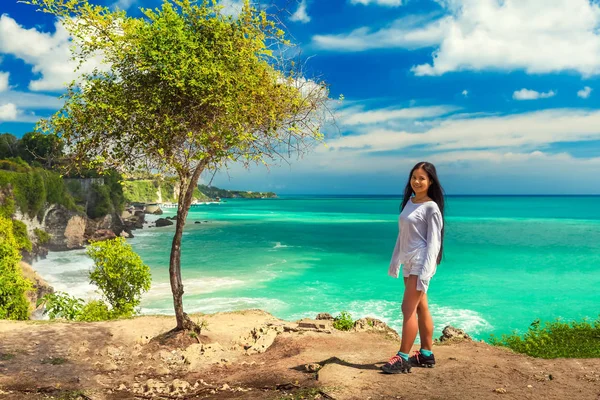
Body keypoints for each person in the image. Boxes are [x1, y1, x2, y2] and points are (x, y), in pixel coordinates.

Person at [382, 161, 445, 374]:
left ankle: (402, 357)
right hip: (408, 261)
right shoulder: (409, 202)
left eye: (422, 178)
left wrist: (427, 271)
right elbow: (403, 235)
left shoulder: (431, 207)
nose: (417, 181)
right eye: (414, 177)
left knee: (407, 308)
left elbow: (434, 242)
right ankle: (426, 354)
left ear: (430, 182)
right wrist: (395, 261)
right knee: (420, 306)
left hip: (420, 262)